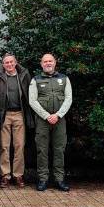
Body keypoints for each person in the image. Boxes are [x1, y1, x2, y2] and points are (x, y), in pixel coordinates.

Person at [28, 54, 72, 192]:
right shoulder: (35, 80)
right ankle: (43, 179)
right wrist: (47, 116)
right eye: (45, 61)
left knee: (59, 149)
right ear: (41, 64)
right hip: (42, 121)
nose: (48, 63)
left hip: (60, 120)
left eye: (50, 61)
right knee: (42, 150)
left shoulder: (64, 78)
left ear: (55, 63)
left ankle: (59, 179)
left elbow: (68, 98)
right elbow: (32, 101)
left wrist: (58, 115)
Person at [0, 54, 33, 188]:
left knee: (19, 145)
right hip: (4, 114)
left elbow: (29, 94)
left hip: (19, 114)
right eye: (6, 63)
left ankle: (18, 175)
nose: (9, 64)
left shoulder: (24, 75)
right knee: (4, 146)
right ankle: (5, 175)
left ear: (16, 62)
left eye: (11, 62)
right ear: (3, 65)